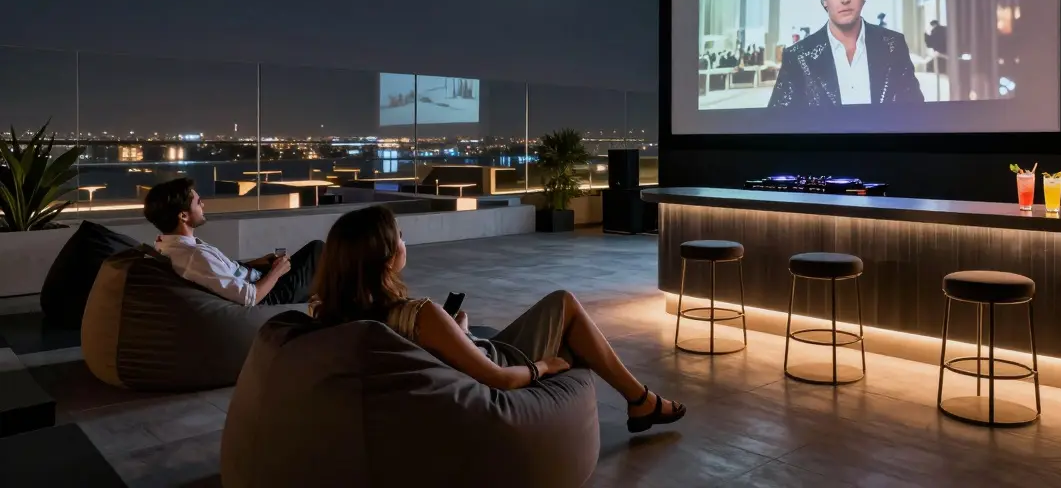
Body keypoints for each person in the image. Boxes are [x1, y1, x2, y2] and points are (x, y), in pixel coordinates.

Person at [308, 205, 687, 434]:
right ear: (388, 257)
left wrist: (458, 333)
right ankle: (640, 400)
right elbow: (499, 378)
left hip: (464, 360)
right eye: (401, 237)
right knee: (565, 305)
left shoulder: (326, 311)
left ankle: (640, 399)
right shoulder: (418, 313)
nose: (406, 242)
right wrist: (545, 366)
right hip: (498, 365)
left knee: (563, 314)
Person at [768, 0, 924, 107]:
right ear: (824, 0)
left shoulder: (893, 45)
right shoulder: (797, 57)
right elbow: (776, 124)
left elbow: (915, 113)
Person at [143, 177, 323, 306]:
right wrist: (277, 272)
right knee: (319, 251)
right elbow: (250, 298)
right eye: (198, 203)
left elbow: (221, 273)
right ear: (183, 215)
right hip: (266, 296)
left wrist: (257, 263)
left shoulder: (168, 245)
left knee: (313, 254)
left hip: (254, 278)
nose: (203, 206)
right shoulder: (193, 256)